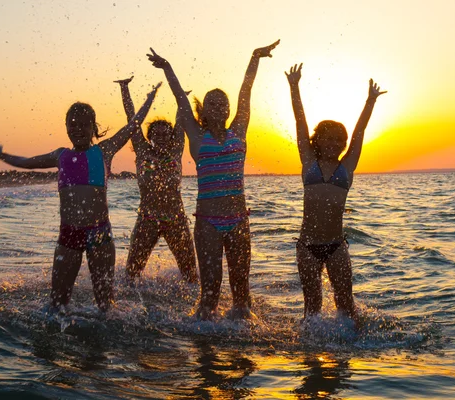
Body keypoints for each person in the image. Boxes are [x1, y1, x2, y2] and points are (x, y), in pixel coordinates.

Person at [0, 83, 161, 313]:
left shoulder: (104, 150)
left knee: (105, 307)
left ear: (94, 127)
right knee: (57, 304)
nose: (78, 129)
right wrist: (5, 157)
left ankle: (99, 347)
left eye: (84, 124)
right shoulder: (60, 155)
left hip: (99, 232)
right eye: (73, 124)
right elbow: (28, 161)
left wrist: (151, 97)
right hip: (69, 233)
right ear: (66, 127)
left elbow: (133, 126)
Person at [147, 40, 279, 320]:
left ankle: (242, 344)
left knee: (242, 295)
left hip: (238, 219)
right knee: (210, 294)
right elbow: (180, 99)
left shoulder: (239, 130)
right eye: (212, 104)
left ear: (230, 110)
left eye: (223, 104)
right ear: (203, 111)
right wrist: (167, 67)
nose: (218, 107)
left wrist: (255, 57)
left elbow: (246, 92)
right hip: (207, 222)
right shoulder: (196, 137)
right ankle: (205, 350)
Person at [285, 63, 386, 326]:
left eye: (338, 141)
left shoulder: (347, 167)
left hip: (336, 246)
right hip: (307, 246)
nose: (333, 144)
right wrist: (294, 86)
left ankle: (348, 355)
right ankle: (311, 357)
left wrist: (370, 101)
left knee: (346, 306)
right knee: (312, 309)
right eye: (327, 139)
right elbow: (299, 121)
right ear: (317, 140)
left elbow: (359, 133)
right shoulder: (308, 162)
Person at [114, 76, 198, 284]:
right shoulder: (142, 151)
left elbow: (181, 121)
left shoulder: (177, 150)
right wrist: (125, 90)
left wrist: (181, 100)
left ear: (171, 137)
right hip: (147, 219)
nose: (161, 137)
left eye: (165, 134)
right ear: (149, 136)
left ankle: (196, 310)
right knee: (131, 274)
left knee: (190, 274)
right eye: (156, 134)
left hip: (176, 218)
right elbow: (131, 118)